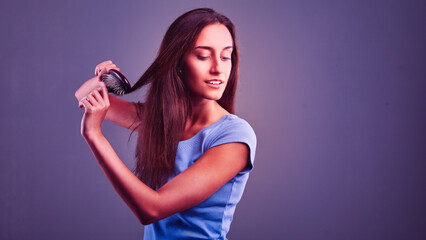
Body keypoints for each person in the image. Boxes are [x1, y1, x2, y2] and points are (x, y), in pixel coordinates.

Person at [75, 8, 257, 239]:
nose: (217, 68)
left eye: (225, 56)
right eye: (203, 55)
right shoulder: (161, 120)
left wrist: (94, 135)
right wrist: (102, 78)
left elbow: (152, 209)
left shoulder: (234, 137)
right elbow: (84, 95)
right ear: (178, 63)